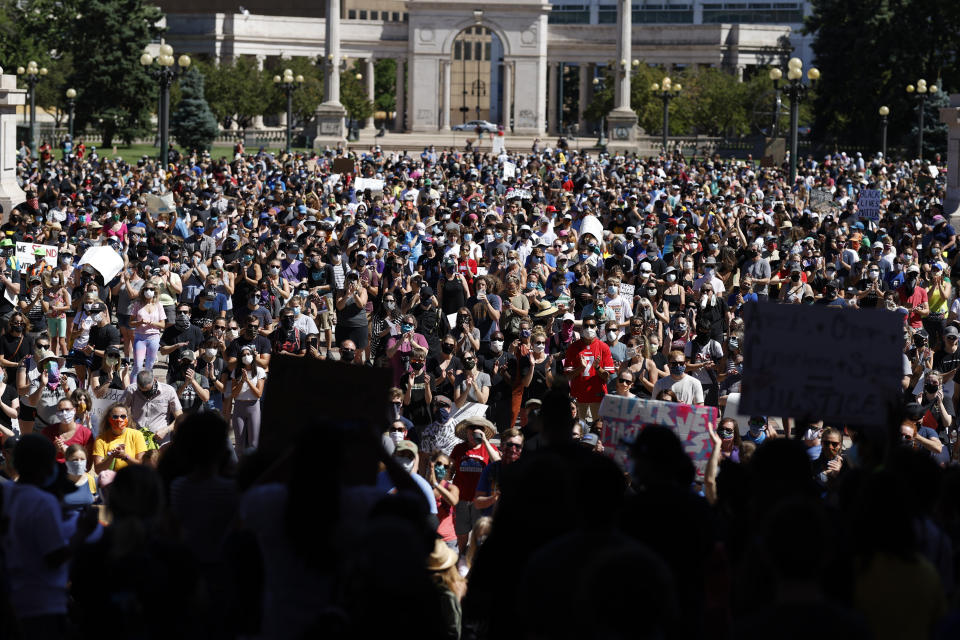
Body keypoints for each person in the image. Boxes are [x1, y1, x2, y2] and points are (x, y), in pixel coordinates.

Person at [0, 434, 97, 640]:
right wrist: (82, 532)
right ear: (47, 464)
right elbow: (54, 556)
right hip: (42, 602)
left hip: (15, 596)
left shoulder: (8, 494)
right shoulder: (42, 502)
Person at [449, 417, 500, 554]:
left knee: (479, 535)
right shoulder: (459, 448)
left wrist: (485, 442)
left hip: (480, 500)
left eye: (476, 432)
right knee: (461, 534)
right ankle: (461, 554)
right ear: (466, 433)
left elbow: (498, 462)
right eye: (470, 432)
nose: (472, 435)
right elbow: (451, 469)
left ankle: (475, 558)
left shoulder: (490, 449)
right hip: (462, 499)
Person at [563, 315, 615, 422]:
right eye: (586, 326)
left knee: (598, 428)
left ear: (596, 327)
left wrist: (597, 367)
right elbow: (567, 376)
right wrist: (581, 368)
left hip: (597, 396)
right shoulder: (573, 347)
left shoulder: (603, 347)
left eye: (592, 326)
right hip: (579, 396)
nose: (589, 329)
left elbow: (607, 376)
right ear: (581, 328)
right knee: (578, 429)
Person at [123, 369, 183, 446]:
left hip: (161, 440)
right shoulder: (131, 390)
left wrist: (166, 430)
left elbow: (180, 417)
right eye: (142, 391)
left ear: (154, 380)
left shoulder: (168, 391)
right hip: (136, 438)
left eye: (148, 390)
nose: (145, 394)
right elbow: (120, 411)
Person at [474, 427, 524, 515]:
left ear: (522, 449)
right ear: (501, 446)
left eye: (517, 446)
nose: (513, 449)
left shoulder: (528, 470)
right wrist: (494, 498)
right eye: (509, 445)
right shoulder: (491, 469)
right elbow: (478, 503)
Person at [225, 344, 265, 452]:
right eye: (243, 355)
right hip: (239, 407)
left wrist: (248, 381)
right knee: (239, 443)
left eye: (248, 354)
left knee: (254, 443)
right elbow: (234, 394)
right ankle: (238, 466)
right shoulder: (236, 372)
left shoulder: (260, 371)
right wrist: (242, 381)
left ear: (252, 355)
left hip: (253, 408)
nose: (246, 356)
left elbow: (259, 394)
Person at [91, 402, 147, 472]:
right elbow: (98, 469)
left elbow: (142, 466)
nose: (119, 420)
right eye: (115, 417)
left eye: (123, 416)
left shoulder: (137, 435)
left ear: (128, 418)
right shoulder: (100, 440)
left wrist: (125, 457)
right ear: (109, 419)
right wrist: (111, 457)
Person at [130, 281, 165, 376]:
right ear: (142, 290)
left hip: (154, 337)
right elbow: (131, 323)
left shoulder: (159, 305)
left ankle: (147, 388)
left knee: (149, 366)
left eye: (151, 289)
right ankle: (132, 388)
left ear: (155, 291)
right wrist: (139, 322)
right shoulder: (137, 304)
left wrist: (153, 323)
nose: (148, 291)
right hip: (139, 338)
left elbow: (163, 325)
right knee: (137, 365)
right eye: (146, 289)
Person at [40, 397, 92, 462]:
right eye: (61, 410)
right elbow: (41, 461)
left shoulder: (86, 433)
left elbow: (87, 466)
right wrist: (53, 450)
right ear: (57, 413)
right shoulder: (47, 432)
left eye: (67, 409)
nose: (64, 413)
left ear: (74, 410)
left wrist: (69, 454)